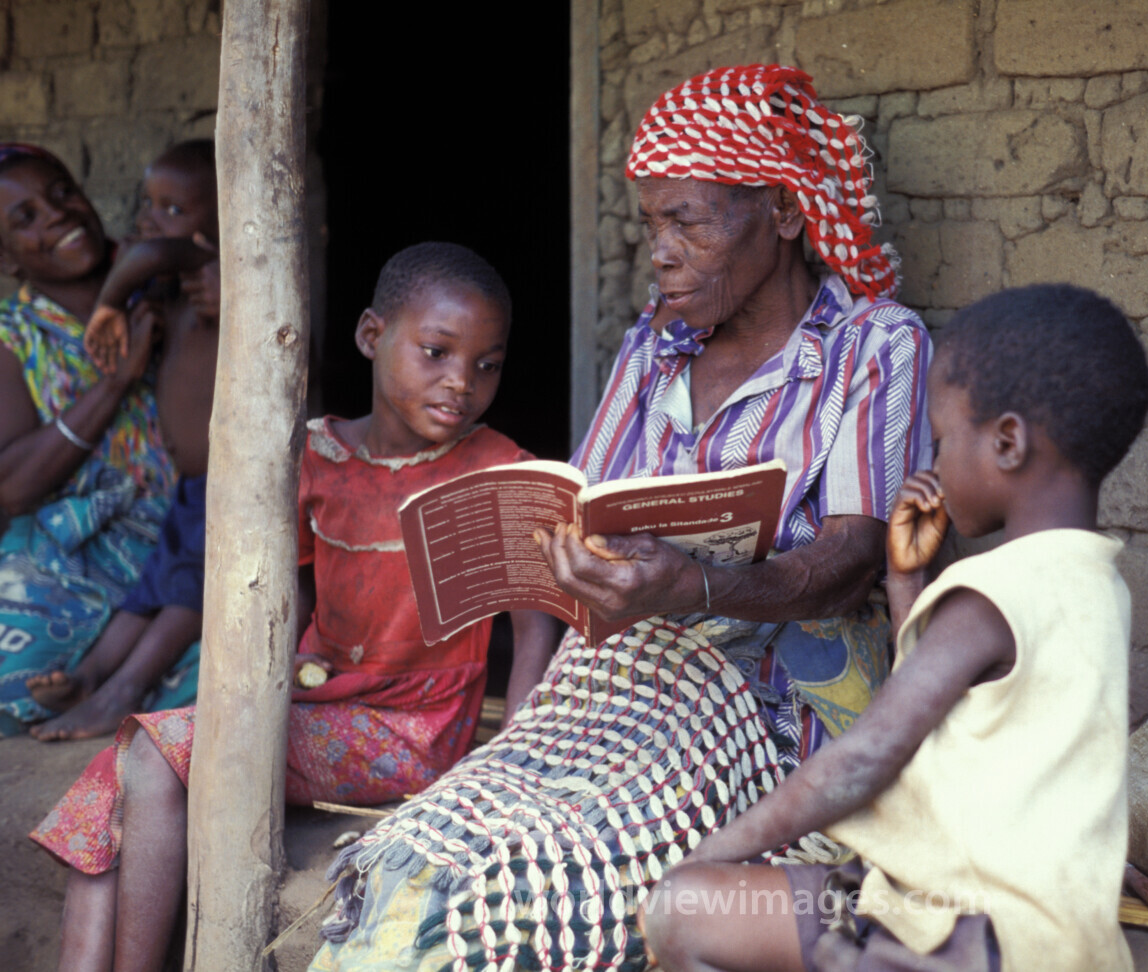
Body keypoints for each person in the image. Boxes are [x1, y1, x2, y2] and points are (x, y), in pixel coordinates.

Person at [310, 64, 931, 972]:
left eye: (688, 222)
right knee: (427, 849)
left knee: (537, 880)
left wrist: (698, 584)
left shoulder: (873, 345)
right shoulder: (653, 347)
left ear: (783, 212)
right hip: (617, 679)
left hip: (763, 702)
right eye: (650, 225)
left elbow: (849, 561)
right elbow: (581, 507)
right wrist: (569, 560)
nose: (661, 252)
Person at [30, 242, 559, 972]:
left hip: (414, 728)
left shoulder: (499, 471)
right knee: (131, 769)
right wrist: (255, 693)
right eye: (436, 352)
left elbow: (534, 634)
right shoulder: (316, 455)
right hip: (318, 696)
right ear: (371, 335)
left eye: (487, 365)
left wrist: (513, 768)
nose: (461, 382)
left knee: (153, 755)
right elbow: (289, 600)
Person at [643, 283, 1148, 972]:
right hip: (1046, 936)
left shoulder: (994, 595)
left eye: (942, 442)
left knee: (682, 905)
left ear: (1007, 442)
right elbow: (956, 717)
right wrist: (906, 581)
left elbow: (866, 757)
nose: (933, 467)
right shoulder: (1093, 583)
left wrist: (709, 854)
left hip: (963, 935)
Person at [28, 140, 221, 740]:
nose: (149, 220)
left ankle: (125, 690)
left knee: (189, 591)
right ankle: (89, 677)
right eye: (147, 204)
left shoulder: (220, 272)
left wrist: (109, 302)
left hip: (234, 484)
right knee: (151, 588)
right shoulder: (177, 287)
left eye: (172, 208)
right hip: (193, 486)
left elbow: (149, 251)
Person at [0, 143, 175, 736]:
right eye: (26, 217)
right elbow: (13, 486)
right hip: (68, 558)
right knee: (12, 683)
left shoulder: (158, 278)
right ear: (6, 257)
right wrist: (117, 382)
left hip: (185, 532)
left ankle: (120, 686)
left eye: (61, 193)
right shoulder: (13, 337)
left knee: (232, 667)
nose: (57, 214)